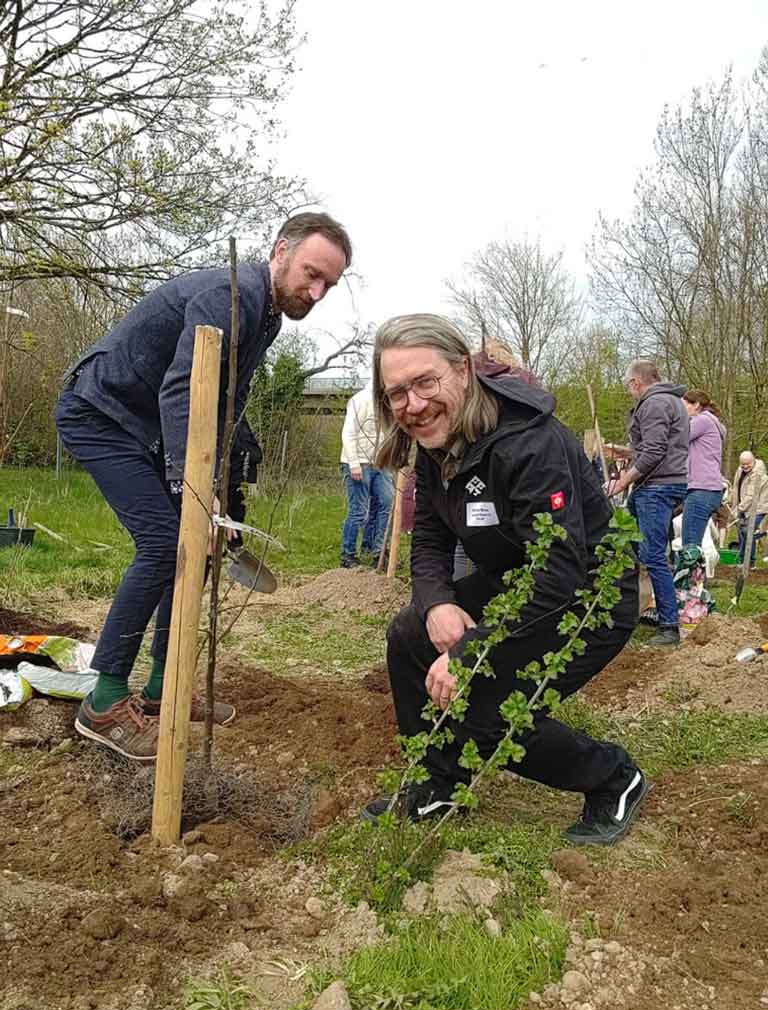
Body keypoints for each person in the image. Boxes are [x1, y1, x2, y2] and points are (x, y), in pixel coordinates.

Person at [55, 212, 352, 760]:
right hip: (99, 412)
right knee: (167, 542)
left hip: (141, 424)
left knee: (199, 547)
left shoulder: (266, 316)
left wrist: (224, 490)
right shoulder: (228, 296)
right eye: (311, 273)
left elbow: (225, 401)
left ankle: (162, 690)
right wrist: (192, 487)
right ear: (280, 251)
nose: (316, 292)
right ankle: (104, 701)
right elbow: (182, 391)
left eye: (328, 285)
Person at [361, 314, 648, 847]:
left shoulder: (530, 446)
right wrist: (436, 606)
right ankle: (435, 783)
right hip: (513, 583)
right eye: (396, 393)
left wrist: (470, 651)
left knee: (487, 710)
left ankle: (613, 777)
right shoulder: (433, 444)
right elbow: (428, 540)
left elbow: (558, 571)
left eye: (425, 382)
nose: (414, 405)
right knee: (407, 636)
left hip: (587, 597)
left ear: (463, 371)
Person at [605, 360, 689, 647]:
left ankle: (669, 626)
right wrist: (622, 451)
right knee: (628, 546)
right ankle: (631, 610)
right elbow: (654, 447)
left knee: (652, 556)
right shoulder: (671, 401)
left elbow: (653, 452)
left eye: (629, 386)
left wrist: (622, 482)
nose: (630, 392)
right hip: (656, 485)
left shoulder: (653, 404)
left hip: (657, 487)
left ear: (636, 383)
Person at [339, 384, 394, 567]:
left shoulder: (389, 402)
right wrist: (354, 463)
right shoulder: (360, 400)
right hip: (359, 463)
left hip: (381, 462)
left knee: (386, 503)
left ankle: (376, 551)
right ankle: (348, 554)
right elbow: (348, 433)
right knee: (359, 511)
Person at [680, 390, 725, 548]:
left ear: (696, 405)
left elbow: (677, 439)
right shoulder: (713, 422)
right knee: (694, 544)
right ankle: (696, 573)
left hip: (701, 488)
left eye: (683, 405)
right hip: (710, 489)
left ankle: (691, 573)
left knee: (690, 546)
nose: (681, 410)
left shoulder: (702, 420)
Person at [731, 451, 768, 565]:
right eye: (743, 464)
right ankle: (742, 560)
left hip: (758, 507)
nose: (745, 466)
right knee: (742, 533)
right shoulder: (740, 470)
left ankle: (749, 561)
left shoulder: (758, 474)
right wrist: (733, 504)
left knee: (748, 531)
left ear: (754, 461)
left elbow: (751, 497)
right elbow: (736, 487)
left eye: (748, 464)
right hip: (744, 507)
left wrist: (739, 508)